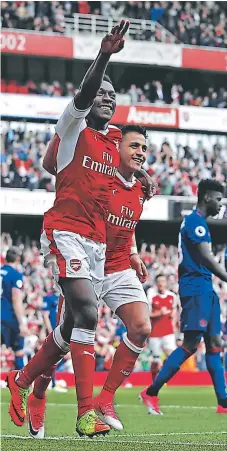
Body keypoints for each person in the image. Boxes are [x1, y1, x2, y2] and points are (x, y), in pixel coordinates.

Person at [6, 19, 130, 438]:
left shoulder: (113, 144)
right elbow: (82, 96)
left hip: (96, 241)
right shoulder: (73, 125)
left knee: (69, 327)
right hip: (65, 230)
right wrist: (104, 56)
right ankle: (85, 412)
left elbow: (117, 184)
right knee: (88, 313)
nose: (107, 100)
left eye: (114, 96)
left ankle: (23, 381)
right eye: (102, 94)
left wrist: (141, 180)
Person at [25, 124, 155, 438]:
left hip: (119, 266)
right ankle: (38, 395)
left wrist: (134, 252)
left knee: (142, 327)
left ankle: (104, 399)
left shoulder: (141, 186)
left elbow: (129, 219)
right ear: (114, 148)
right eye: (134, 146)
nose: (140, 153)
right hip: (85, 263)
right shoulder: (97, 177)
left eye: (144, 148)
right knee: (63, 343)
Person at [140, 179, 227, 415]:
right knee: (190, 345)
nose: (221, 204)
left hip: (206, 287)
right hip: (195, 287)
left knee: (215, 344)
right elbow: (207, 257)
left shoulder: (199, 223)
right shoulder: (195, 222)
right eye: (219, 199)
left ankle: (223, 402)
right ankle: (151, 392)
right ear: (207, 197)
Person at [147, 274, 177, 385]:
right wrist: (159, 313)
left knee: (172, 357)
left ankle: (163, 376)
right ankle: (154, 381)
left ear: (166, 283)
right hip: (155, 332)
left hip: (168, 331)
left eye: (163, 281)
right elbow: (147, 314)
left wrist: (173, 322)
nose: (161, 283)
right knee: (155, 359)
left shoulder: (172, 296)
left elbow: (174, 311)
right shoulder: (151, 296)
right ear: (156, 283)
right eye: (159, 281)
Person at [1, 247, 28, 370]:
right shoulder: (15, 275)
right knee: (18, 349)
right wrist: (22, 322)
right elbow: (16, 299)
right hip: (9, 316)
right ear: (18, 258)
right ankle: (20, 384)